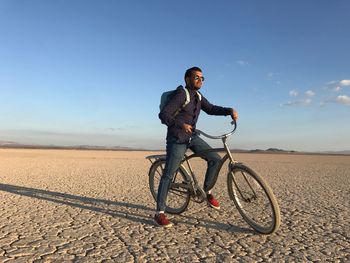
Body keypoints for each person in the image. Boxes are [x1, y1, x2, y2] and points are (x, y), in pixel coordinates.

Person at [155, 66, 238, 227]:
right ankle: (160, 213)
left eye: (202, 78)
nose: (200, 80)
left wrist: (229, 110)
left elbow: (211, 109)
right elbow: (164, 114)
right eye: (196, 77)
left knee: (215, 158)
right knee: (168, 174)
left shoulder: (198, 97)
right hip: (177, 138)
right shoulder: (181, 94)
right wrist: (181, 124)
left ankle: (207, 192)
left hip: (192, 137)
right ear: (187, 79)